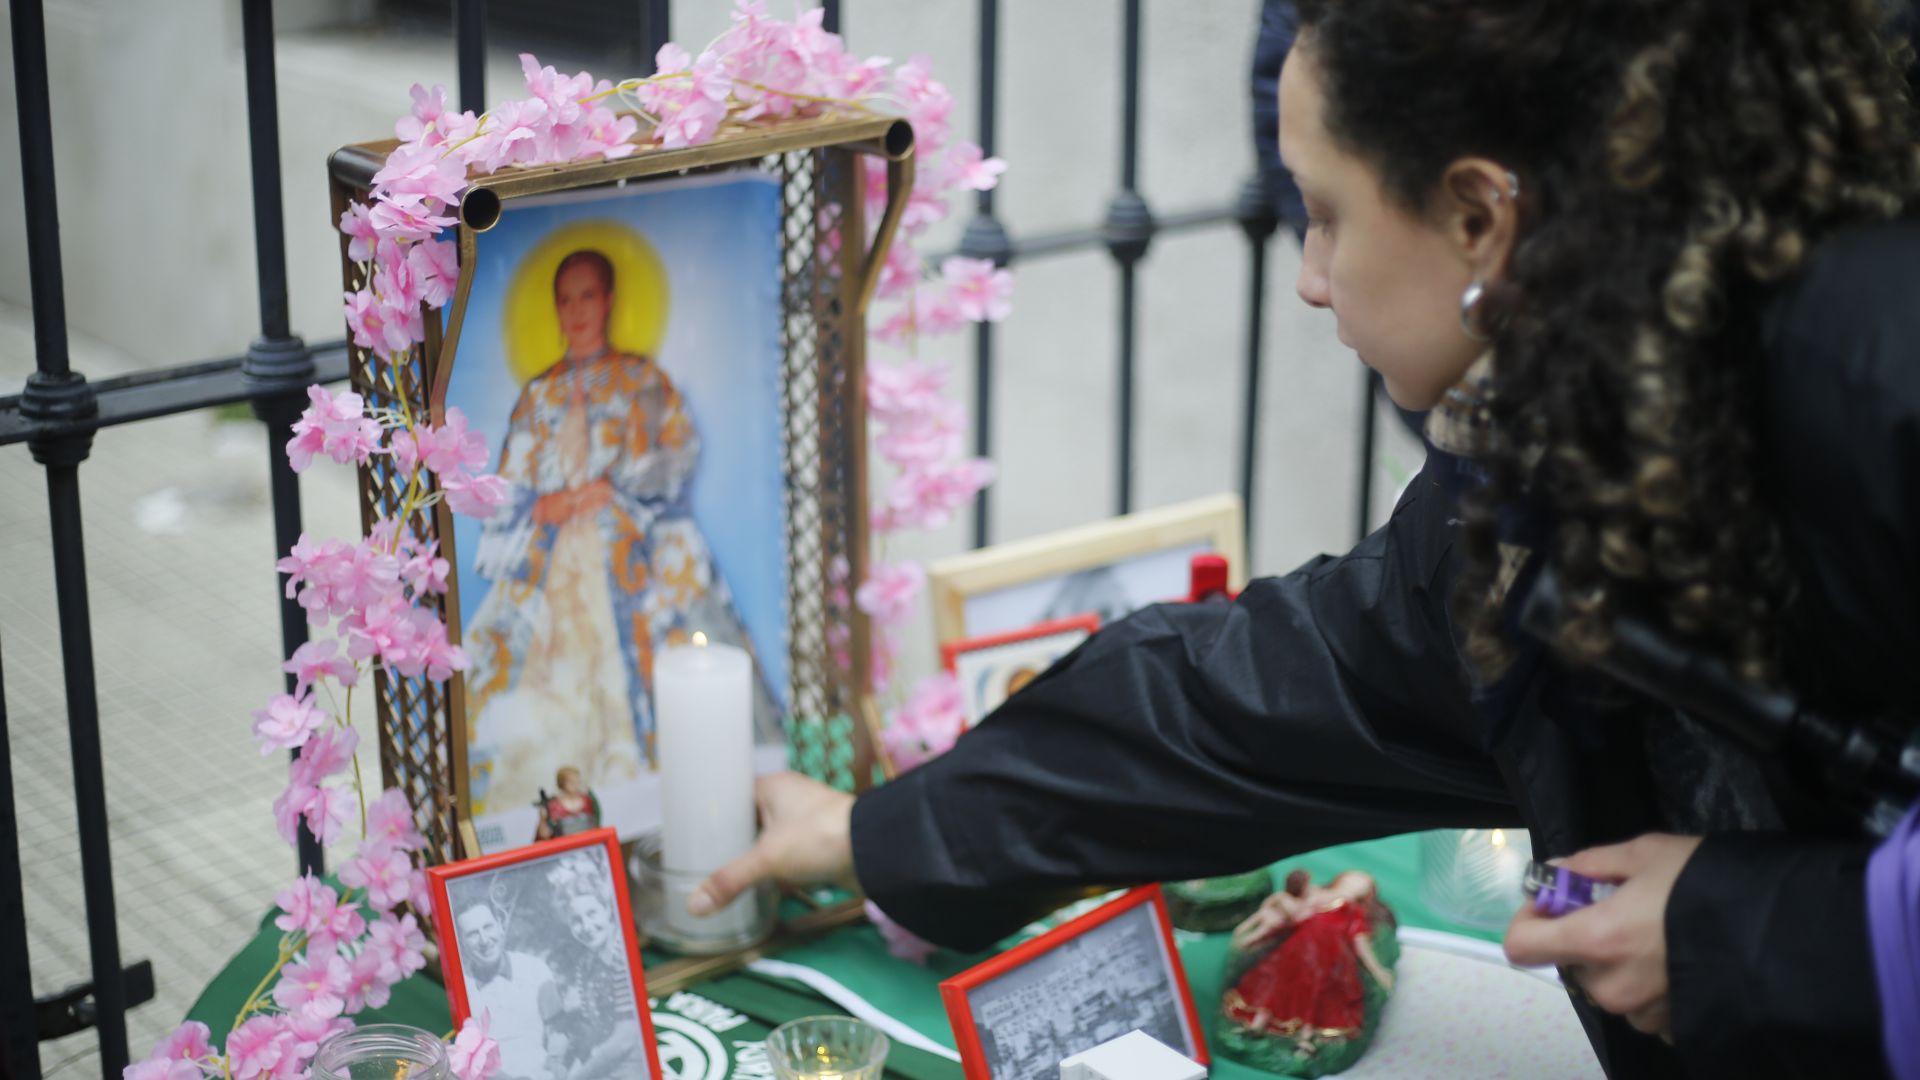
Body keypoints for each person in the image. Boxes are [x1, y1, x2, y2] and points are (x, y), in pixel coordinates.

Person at [693, 1, 1920, 1076]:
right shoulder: (1568, 451)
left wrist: (1768, 937)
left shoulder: (1876, 380)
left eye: (1326, 213)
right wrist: (878, 835)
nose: (1311, 279)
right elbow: (1265, 695)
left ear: (1483, 214)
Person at [464, 248, 776, 816]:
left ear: (608, 300)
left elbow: (679, 453)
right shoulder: (538, 396)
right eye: (565, 299)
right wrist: (546, 504)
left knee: (680, 625)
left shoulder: (642, 380)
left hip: (632, 547)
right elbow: (505, 490)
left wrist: (617, 488)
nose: (576, 310)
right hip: (558, 561)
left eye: (588, 296)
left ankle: (675, 798)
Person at [1221, 870, 1396, 1075]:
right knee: (1277, 983)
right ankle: (1257, 1025)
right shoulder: (1314, 896)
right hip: (1298, 949)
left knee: (1316, 995)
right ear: (1340, 881)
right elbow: (1290, 913)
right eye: (1352, 882)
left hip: (1330, 958)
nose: (1355, 887)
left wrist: (1377, 970)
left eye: (1362, 887)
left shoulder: (1354, 912)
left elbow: (1360, 943)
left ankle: (1305, 1039)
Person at [457, 898, 555, 1080]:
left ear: (500, 925)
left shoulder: (535, 968)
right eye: (473, 934)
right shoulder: (461, 989)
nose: (484, 940)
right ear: (461, 942)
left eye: (488, 927)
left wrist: (557, 1067)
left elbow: (557, 1029)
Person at [533, 766, 601, 842]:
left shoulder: (587, 800)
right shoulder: (554, 806)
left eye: (577, 781)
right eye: (571, 781)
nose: (575, 785)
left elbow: (596, 825)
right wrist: (543, 819)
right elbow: (544, 835)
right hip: (565, 847)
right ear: (562, 783)